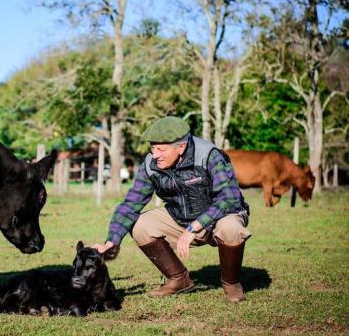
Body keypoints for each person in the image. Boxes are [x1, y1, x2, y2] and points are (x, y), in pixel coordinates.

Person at [93, 116, 251, 303]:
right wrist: (112, 241)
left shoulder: (210, 155)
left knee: (231, 228)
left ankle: (231, 284)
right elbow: (130, 204)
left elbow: (229, 198)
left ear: (181, 147)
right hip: (180, 219)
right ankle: (179, 279)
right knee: (140, 225)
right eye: (152, 148)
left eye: (161, 149)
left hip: (218, 217)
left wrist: (195, 227)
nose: (155, 154)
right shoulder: (151, 165)